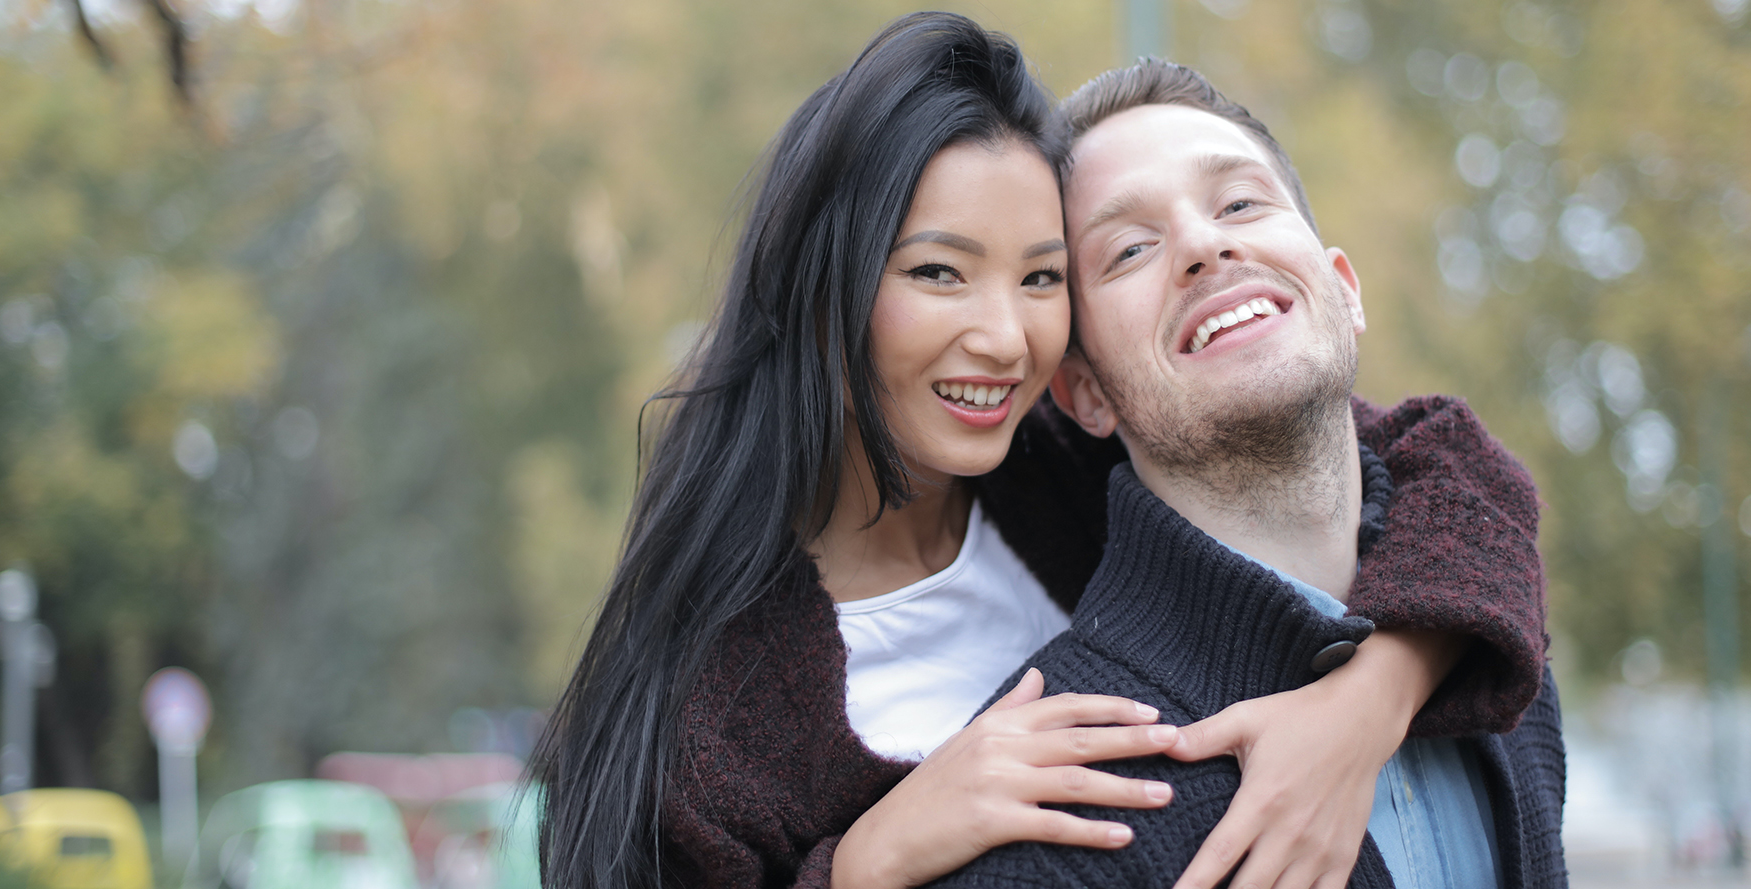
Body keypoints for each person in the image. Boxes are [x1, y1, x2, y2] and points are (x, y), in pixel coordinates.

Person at [529, 14, 1548, 889]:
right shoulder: (707, 713)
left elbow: (1453, 473)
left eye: (1042, 277)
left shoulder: (1071, 460)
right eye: (939, 272)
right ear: (820, 290)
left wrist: (1366, 706)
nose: (1007, 338)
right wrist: (866, 860)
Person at [929, 60, 1567, 889]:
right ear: (1084, 393)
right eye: (1128, 248)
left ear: (1344, 289)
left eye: (1239, 202)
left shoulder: (1502, 671)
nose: (1203, 244)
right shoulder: (1055, 813)